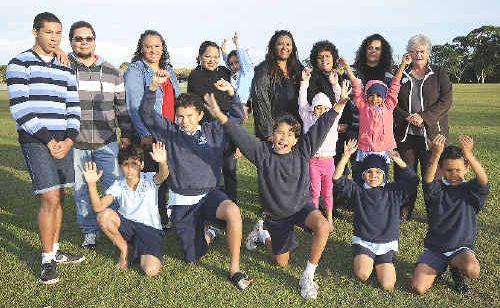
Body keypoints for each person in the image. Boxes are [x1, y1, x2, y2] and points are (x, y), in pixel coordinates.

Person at [205, 81, 349, 300]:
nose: (283, 137)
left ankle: (308, 276)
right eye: (279, 133)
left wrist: (340, 103)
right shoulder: (262, 153)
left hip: (301, 207)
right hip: (276, 215)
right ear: (272, 135)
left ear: (296, 139)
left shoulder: (303, 150)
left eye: (289, 134)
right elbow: (240, 135)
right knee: (281, 262)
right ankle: (263, 234)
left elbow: (322, 125)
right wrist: (219, 115)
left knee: (322, 226)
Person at [140, 74, 251, 289]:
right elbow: (146, 113)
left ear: (201, 114)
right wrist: (152, 87)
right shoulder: (170, 133)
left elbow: (236, 120)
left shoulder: (214, 131)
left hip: (209, 194)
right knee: (192, 257)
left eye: (190, 116)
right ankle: (210, 232)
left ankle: (235, 268)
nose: (185, 121)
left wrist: (232, 93)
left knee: (233, 212)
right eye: (180, 116)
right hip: (182, 200)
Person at [6, 12, 84, 284]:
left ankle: (55, 249)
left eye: (58, 33)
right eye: (49, 32)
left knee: (61, 196)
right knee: (49, 198)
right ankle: (46, 259)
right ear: (35, 32)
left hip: (64, 140)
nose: (54, 37)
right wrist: (50, 140)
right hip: (37, 141)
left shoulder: (65, 67)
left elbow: (73, 106)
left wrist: (70, 139)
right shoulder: (19, 63)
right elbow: (20, 107)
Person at [67, 20, 133, 250]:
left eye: (88, 38)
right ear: (71, 42)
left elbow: (121, 106)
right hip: (76, 143)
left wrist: (125, 132)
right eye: (78, 38)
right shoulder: (64, 69)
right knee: (81, 189)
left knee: (114, 185)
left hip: (107, 142)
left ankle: (114, 225)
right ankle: (89, 231)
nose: (84, 42)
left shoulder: (113, 71)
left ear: (95, 41)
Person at [333, 140, 418, 291]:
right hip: (364, 242)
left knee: (388, 284)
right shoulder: (358, 191)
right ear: (363, 174)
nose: (374, 176)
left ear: (384, 174)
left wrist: (398, 160)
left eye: (378, 172)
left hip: (386, 244)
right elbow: (338, 179)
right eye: (369, 172)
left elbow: (412, 180)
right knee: (362, 274)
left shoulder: (393, 191)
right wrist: (345, 157)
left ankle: (382, 261)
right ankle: (365, 258)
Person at [412, 135, 489, 295]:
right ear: (440, 169)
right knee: (419, 288)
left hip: (460, 249)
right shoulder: (437, 189)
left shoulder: (470, 190)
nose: (454, 174)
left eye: (458, 170)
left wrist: (469, 155)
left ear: (466, 168)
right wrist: (436, 154)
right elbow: (427, 180)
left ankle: (456, 270)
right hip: (436, 248)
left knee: (472, 270)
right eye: (449, 170)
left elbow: (483, 181)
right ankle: (437, 268)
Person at [82, 144, 168, 275]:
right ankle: (124, 249)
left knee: (151, 270)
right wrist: (92, 185)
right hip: (127, 226)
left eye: (134, 163)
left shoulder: (149, 179)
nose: (130, 168)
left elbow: (163, 175)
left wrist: (162, 162)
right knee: (103, 215)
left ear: (142, 165)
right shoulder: (119, 185)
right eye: (125, 164)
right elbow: (98, 207)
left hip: (149, 229)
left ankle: (141, 249)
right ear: (120, 167)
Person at [124, 30, 181, 224]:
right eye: (148, 46)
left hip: (171, 132)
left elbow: (176, 100)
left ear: (163, 47)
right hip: (151, 134)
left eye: (157, 46)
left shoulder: (169, 70)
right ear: (141, 48)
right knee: (152, 179)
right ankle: (153, 218)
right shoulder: (136, 70)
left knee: (169, 176)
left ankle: (166, 216)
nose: (153, 50)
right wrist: (144, 133)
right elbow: (133, 105)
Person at [394, 34, 453, 220]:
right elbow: (392, 101)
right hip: (406, 134)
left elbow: (446, 101)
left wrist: (423, 117)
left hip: (432, 134)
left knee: (433, 172)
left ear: (428, 52)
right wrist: (407, 117)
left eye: (422, 51)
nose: (418, 54)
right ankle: (405, 209)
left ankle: (434, 210)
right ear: (409, 53)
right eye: (414, 51)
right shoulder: (401, 73)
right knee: (406, 173)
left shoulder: (439, 73)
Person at [187, 41, 238, 201]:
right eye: (208, 56)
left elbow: (235, 97)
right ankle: (212, 205)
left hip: (227, 129)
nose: (212, 60)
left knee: (229, 169)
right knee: (210, 170)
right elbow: (191, 105)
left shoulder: (225, 72)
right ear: (200, 57)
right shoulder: (195, 76)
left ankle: (232, 203)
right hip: (206, 130)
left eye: (216, 57)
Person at [340, 54, 410, 164]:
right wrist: (347, 68)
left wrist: (402, 65)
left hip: (384, 149)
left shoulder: (388, 106)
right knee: (364, 177)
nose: (375, 99)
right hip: (365, 149)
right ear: (366, 95)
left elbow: (395, 85)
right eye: (371, 95)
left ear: (384, 96)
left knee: (381, 178)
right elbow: (356, 86)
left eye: (379, 96)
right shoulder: (363, 106)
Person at [299, 67, 345, 229]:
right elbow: (302, 103)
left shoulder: (332, 119)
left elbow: (340, 102)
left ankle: (330, 218)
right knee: (314, 191)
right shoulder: (308, 118)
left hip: (328, 162)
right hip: (313, 161)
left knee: (327, 192)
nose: (321, 111)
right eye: (318, 107)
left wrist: (335, 84)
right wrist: (304, 82)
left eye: (325, 108)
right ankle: (314, 219)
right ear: (314, 109)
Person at [251, 30, 303, 141]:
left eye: (288, 44)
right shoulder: (264, 69)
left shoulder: (297, 67)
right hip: (275, 130)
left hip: (296, 128)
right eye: (280, 44)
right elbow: (260, 101)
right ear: (273, 47)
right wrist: (268, 133)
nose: (285, 47)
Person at [221, 32, 254, 120]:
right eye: (231, 64)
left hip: (242, 104)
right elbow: (227, 61)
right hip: (231, 103)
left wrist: (237, 44)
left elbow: (243, 59)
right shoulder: (234, 73)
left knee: (236, 127)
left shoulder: (247, 72)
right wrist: (223, 51)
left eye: (237, 62)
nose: (234, 66)